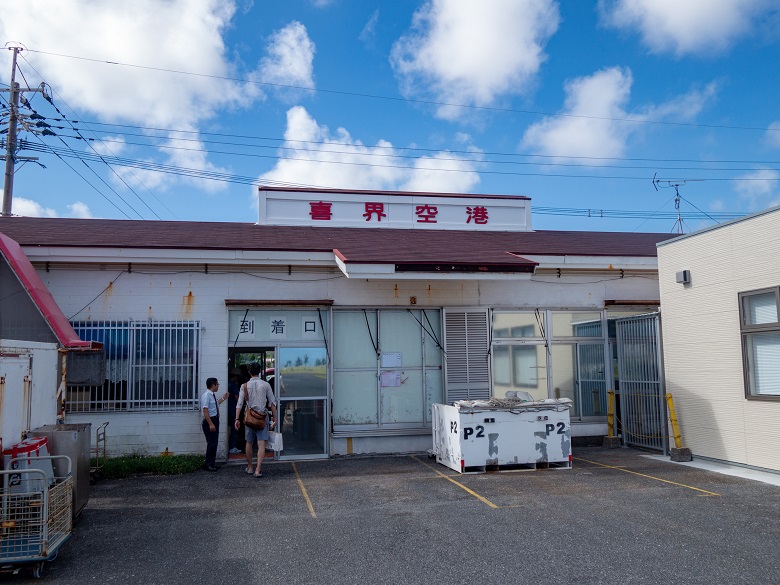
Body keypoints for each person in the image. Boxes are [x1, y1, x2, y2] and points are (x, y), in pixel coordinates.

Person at [234, 362, 278, 477]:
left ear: (249, 372)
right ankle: (258, 470)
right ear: (259, 372)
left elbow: (239, 404)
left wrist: (237, 419)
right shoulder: (265, 385)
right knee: (261, 444)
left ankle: (249, 467)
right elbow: (272, 403)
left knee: (248, 442)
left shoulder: (244, 386)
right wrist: (275, 417)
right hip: (262, 417)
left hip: (249, 418)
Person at [201, 377, 229, 472]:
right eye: (217, 384)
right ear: (213, 385)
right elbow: (205, 410)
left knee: (214, 443)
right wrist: (211, 424)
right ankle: (208, 464)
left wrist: (223, 398)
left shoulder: (212, 395)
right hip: (210, 421)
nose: (218, 386)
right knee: (211, 443)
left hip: (215, 420)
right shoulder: (206, 395)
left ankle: (211, 463)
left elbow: (216, 404)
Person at [227, 368, 242, 454]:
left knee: (230, 428)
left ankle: (230, 446)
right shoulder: (234, 384)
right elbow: (237, 398)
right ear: (236, 376)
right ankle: (233, 447)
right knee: (235, 428)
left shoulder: (226, 382)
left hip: (228, 409)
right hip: (233, 409)